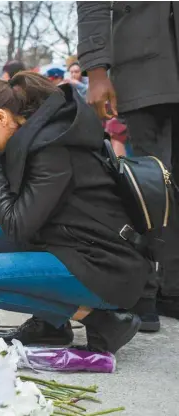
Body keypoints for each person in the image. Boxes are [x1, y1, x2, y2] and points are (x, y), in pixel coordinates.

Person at [0, 72, 153, 353]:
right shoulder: (27, 141)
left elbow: (17, 226)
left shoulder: (52, 150)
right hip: (67, 244)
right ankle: (51, 325)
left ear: (2, 118)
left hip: (104, 266)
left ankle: (103, 319)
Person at [77, 2, 179, 329]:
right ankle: (145, 290)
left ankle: (172, 288)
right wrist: (95, 70)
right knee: (150, 185)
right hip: (145, 69)